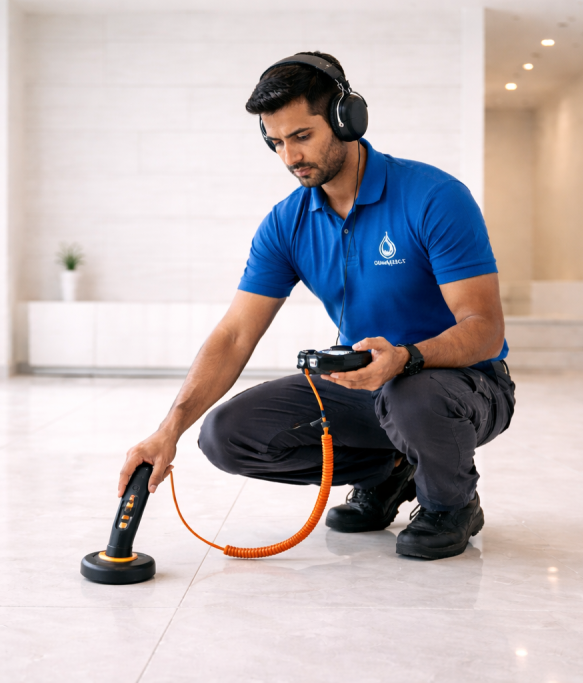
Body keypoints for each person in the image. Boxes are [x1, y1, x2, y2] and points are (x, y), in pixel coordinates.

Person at [117, 51, 516, 560]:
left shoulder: (434, 197)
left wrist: (406, 356)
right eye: (276, 142)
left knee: (411, 395)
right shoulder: (286, 223)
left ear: (346, 120)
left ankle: (451, 505)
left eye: (302, 136)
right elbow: (236, 334)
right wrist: (167, 429)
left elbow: (483, 329)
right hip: (366, 383)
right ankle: (392, 471)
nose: (290, 157)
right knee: (226, 435)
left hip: (466, 384)